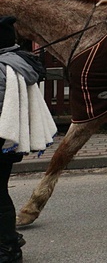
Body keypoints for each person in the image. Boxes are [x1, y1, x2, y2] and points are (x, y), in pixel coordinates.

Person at [0, 16, 56, 262]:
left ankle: (9, 249)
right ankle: (9, 237)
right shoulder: (18, 61)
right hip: (10, 142)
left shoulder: (2, 67)